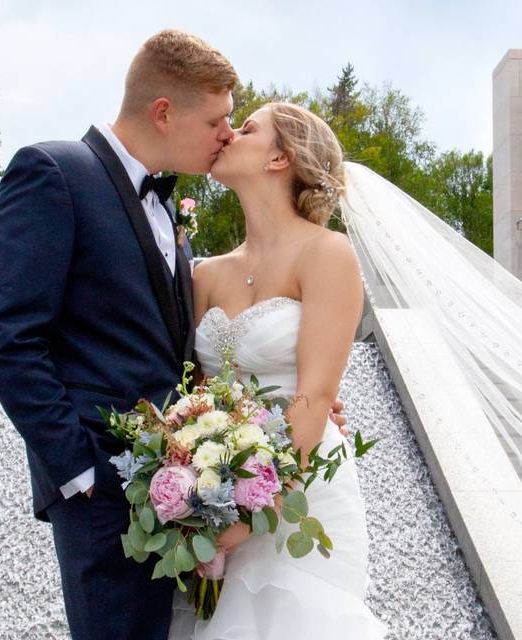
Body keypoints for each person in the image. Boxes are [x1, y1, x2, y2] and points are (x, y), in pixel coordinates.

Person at [0, 31, 348, 640]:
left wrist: (285, 404)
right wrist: (81, 475)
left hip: (189, 497)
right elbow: (10, 339)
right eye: (218, 120)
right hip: (103, 492)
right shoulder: (53, 172)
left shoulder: (173, 218)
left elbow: (181, 357)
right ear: (163, 112)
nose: (227, 134)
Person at [168, 102, 388, 638]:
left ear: (280, 158)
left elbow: (314, 397)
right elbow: (192, 395)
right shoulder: (205, 275)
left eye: (247, 129)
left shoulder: (328, 255)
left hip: (305, 488)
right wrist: (198, 494)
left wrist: (250, 515)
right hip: (216, 488)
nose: (228, 134)